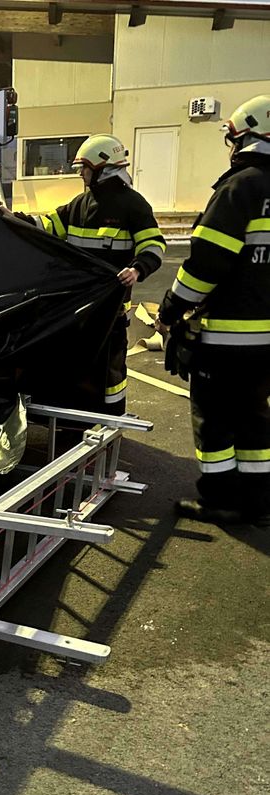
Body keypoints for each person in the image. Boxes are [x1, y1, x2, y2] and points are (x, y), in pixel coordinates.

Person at [155, 95, 270, 527]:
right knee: (255, 419)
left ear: (244, 138)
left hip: (226, 338)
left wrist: (170, 309)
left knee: (217, 422)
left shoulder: (240, 187)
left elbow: (205, 265)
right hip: (266, 344)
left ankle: (221, 499)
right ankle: (258, 502)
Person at [16, 134, 167, 415]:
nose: (82, 175)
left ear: (102, 167)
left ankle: (110, 423)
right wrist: (12, 219)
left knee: (109, 373)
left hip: (111, 312)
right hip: (78, 309)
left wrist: (137, 269)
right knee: (76, 367)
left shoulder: (133, 205)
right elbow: (48, 225)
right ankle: (75, 424)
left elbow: (154, 245)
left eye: (84, 168)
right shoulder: (80, 204)